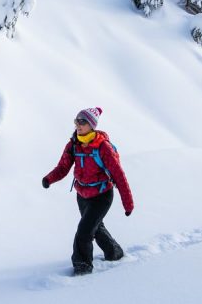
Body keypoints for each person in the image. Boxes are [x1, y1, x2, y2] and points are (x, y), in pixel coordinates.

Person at [42, 107, 134, 276]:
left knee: (84, 231)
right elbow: (63, 167)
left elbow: (119, 175)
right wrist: (49, 179)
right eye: (76, 121)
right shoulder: (73, 144)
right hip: (82, 195)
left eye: (82, 121)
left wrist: (128, 204)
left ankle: (82, 267)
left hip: (102, 196)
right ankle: (115, 253)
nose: (78, 124)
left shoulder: (103, 147)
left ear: (92, 125)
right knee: (96, 228)